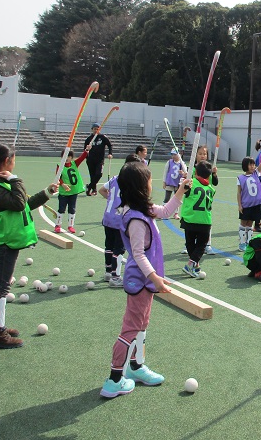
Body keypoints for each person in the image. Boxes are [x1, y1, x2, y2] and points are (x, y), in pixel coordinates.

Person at [100, 162, 191, 398]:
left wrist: (181, 189)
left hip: (145, 280)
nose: (152, 184)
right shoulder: (137, 219)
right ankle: (114, 379)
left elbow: (167, 211)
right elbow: (138, 253)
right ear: (140, 186)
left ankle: (136, 366)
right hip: (139, 280)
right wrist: (155, 278)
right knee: (130, 329)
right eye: (149, 181)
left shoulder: (144, 209)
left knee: (141, 325)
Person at [0, 142, 58, 349]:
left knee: (1, 285)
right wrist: (16, 180)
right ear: (7, 161)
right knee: (0, 286)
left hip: (12, 240)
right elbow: (17, 203)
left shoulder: (3, 183)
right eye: (13, 159)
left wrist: (47, 192)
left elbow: (24, 204)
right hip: (6, 240)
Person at [99, 154, 142, 288]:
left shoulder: (114, 179)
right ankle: (116, 277)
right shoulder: (131, 183)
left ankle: (108, 272)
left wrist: (111, 199)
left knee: (109, 245)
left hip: (108, 217)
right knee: (119, 248)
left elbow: (101, 190)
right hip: (120, 219)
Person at [180, 145, 217, 255]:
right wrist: (186, 176)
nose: (202, 156)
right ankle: (187, 245)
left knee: (205, 222)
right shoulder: (192, 168)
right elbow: (186, 185)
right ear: (195, 155)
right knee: (191, 225)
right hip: (192, 200)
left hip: (206, 199)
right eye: (200, 153)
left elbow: (215, 183)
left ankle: (208, 245)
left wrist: (214, 174)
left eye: (204, 154)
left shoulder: (208, 168)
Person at [181, 161, 215, 278]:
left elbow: (181, 192)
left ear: (195, 173)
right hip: (204, 221)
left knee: (190, 243)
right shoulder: (211, 188)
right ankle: (192, 264)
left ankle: (192, 264)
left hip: (189, 219)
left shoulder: (190, 183)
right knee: (201, 246)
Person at [237, 152, 261, 251]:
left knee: (250, 224)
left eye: (253, 164)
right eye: (250, 164)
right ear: (245, 166)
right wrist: (239, 205)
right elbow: (239, 193)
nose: (253, 166)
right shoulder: (240, 178)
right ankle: (242, 243)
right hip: (246, 204)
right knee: (243, 223)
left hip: (256, 204)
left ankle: (248, 242)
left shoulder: (256, 173)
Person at [55, 148, 89, 234]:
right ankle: (58, 225)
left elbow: (82, 158)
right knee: (61, 209)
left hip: (73, 192)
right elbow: (58, 177)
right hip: (64, 192)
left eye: (68, 156)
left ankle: (70, 226)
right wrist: (62, 184)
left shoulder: (74, 164)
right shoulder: (60, 166)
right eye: (64, 156)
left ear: (71, 157)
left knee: (72, 209)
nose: (66, 158)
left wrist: (87, 150)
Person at [83, 123, 112, 196]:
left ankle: (89, 187)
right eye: (94, 129)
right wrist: (87, 153)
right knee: (92, 176)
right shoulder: (89, 139)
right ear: (92, 129)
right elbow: (85, 150)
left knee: (99, 174)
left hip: (100, 160)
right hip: (90, 160)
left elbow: (109, 145)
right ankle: (94, 190)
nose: (96, 130)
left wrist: (110, 153)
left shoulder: (103, 137)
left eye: (97, 129)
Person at [162, 148, 186, 220]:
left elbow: (186, 173)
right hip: (170, 182)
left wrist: (182, 173)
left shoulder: (182, 163)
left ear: (179, 154)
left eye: (175, 154)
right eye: (172, 155)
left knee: (177, 199)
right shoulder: (169, 162)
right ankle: (164, 212)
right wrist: (164, 182)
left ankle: (176, 213)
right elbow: (165, 172)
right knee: (167, 198)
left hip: (178, 184)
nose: (173, 156)